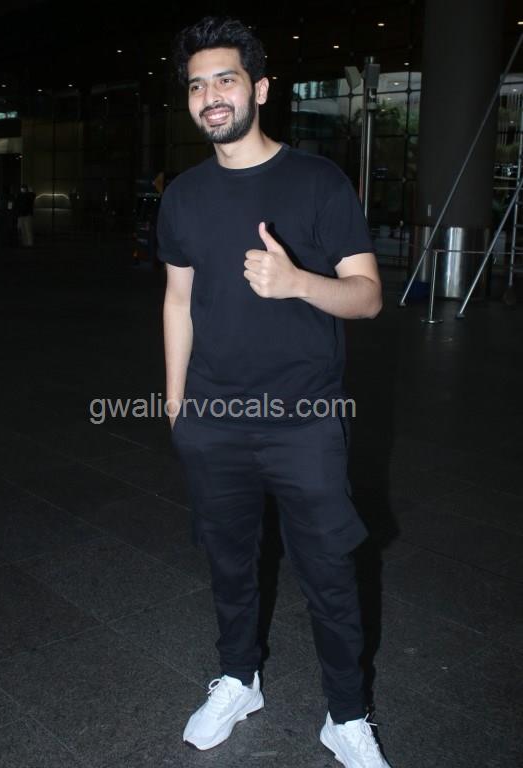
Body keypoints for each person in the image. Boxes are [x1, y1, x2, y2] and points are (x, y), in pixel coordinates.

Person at [158, 17, 390, 767]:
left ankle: (346, 715)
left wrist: (296, 282)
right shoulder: (183, 196)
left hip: (306, 421)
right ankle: (239, 679)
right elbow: (177, 300)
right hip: (213, 418)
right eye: (197, 85)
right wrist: (176, 404)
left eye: (225, 79)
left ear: (259, 89)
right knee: (228, 563)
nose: (210, 96)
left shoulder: (317, 182)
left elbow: (367, 296)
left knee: (329, 574)